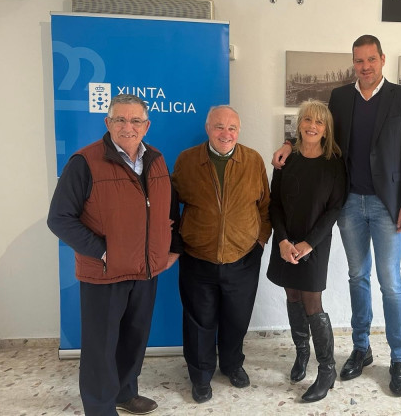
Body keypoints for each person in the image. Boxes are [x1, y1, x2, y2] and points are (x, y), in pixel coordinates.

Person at [273, 35, 401, 397]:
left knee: (391, 282)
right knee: (358, 277)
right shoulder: (341, 97)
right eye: (359, 61)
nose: (365, 66)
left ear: (383, 59)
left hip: (388, 205)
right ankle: (361, 348)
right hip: (350, 203)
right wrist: (289, 143)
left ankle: (399, 358)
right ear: (352, 63)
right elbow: (316, 126)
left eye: (371, 59)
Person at [47, 94, 181, 416]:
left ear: (146, 126)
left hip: (146, 270)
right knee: (100, 348)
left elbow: (168, 208)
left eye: (135, 120)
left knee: (134, 340)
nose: (128, 127)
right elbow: (59, 219)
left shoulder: (157, 160)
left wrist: (170, 247)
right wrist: (104, 252)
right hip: (104, 273)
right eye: (120, 119)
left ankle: (124, 393)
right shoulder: (85, 161)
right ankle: (99, 408)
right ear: (108, 123)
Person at [172, 105, 271, 403]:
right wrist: (176, 243)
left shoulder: (253, 160)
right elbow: (171, 205)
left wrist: (261, 240)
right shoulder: (188, 160)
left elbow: (265, 205)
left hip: (243, 257)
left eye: (231, 128)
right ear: (207, 128)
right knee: (199, 321)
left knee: (236, 319)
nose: (225, 133)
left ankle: (231, 365)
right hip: (197, 257)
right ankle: (201, 376)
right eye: (219, 126)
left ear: (238, 131)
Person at [267, 100, 346, 402]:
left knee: (313, 303)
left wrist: (308, 244)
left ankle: (327, 369)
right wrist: (284, 240)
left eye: (319, 122)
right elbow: (274, 203)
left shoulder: (334, 162)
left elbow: (335, 208)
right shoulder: (288, 159)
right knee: (292, 295)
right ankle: (302, 353)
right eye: (307, 120)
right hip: (286, 241)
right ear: (299, 124)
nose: (312, 126)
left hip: (315, 243)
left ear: (327, 129)